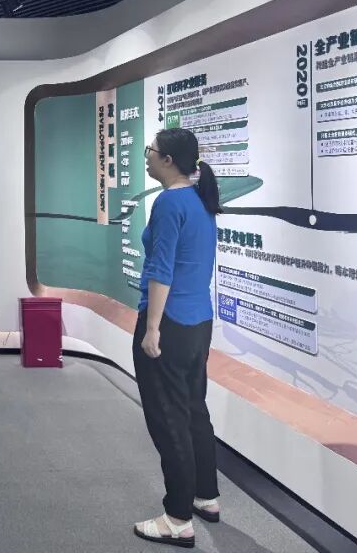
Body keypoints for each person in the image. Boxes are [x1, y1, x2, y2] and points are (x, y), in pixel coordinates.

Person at [132, 127, 222, 548]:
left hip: (168, 323)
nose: (147, 155)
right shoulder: (201, 201)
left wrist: (152, 328)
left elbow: (161, 268)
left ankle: (177, 518)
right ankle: (206, 496)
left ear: (167, 160)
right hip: (198, 322)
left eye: (151, 150)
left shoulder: (169, 202)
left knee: (169, 420)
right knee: (193, 411)